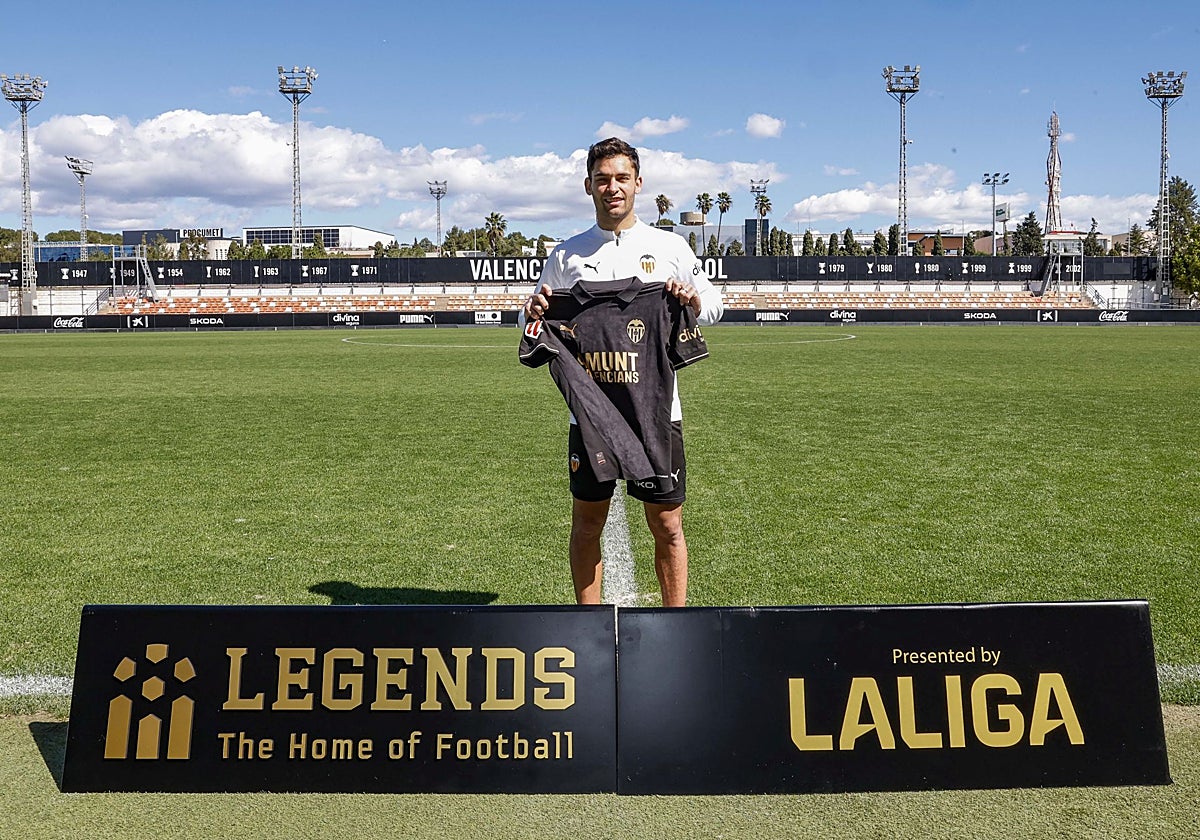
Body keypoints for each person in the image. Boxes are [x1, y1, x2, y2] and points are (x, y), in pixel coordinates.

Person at [520, 137, 723, 607]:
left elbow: (713, 303)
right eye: (602, 179)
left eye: (621, 178)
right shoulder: (566, 256)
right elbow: (534, 318)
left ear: (638, 183)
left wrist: (692, 301)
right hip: (590, 416)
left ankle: (676, 626)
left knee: (668, 524)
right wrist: (528, 308)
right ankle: (587, 624)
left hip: (655, 412)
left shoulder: (669, 247)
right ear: (588, 186)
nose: (612, 187)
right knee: (587, 523)